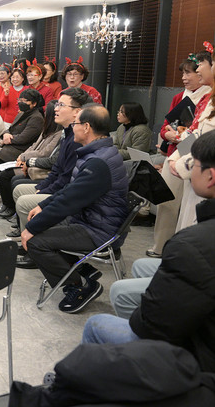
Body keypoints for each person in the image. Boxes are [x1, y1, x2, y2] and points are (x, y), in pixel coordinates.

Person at [80, 130, 215, 376]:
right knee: (142, 266)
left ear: (210, 176)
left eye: (193, 164)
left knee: (97, 324)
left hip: (199, 358)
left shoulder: (192, 243)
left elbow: (152, 323)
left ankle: (138, 372)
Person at [19, 104, 129, 314]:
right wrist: (43, 205)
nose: (72, 128)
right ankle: (84, 269)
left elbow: (69, 202)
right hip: (92, 219)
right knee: (42, 229)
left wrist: (31, 228)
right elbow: (71, 191)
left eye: (75, 124)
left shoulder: (98, 163)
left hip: (97, 229)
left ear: (86, 127)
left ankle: (79, 286)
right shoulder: (97, 153)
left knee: (35, 241)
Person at [148, 50, 215, 256]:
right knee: (170, 205)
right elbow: (171, 127)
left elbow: (202, 137)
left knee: (192, 214)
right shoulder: (181, 97)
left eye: (191, 71)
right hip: (180, 154)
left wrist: (180, 149)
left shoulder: (208, 97)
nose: (185, 77)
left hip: (196, 160)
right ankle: (165, 247)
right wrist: (172, 139)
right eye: (183, 73)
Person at [7, 88, 90, 238]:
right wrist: (42, 187)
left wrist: (45, 190)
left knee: (23, 200)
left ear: (77, 112)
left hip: (65, 193)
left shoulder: (76, 139)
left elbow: (66, 179)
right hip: (56, 185)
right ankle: (28, 236)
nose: (56, 109)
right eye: (57, 105)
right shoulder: (67, 133)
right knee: (18, 189)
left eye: (61, 105)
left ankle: (35, 241)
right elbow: (57, 169)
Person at [0, 99, 62, 219]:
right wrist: (22, 156)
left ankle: (11, 207)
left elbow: (45, 153)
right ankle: (7, 205)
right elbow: (34, 145)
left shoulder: (58, 133)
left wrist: (25, 158)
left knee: (7, 176)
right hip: (28, 159)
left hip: (37, 165)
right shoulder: (46, 129)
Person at [158, 57, 210, 157]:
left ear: (199, 74)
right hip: (174, 152)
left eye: (187, 73)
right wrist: (167, 135)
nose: (183, 78)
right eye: (183, 74)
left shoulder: (209, 98)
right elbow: (165, 126)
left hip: (196, 153)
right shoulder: (178, 98)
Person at [0, 88, 44, 164]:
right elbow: (10, 129)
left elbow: (24, 138)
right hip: (6, 148)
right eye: (20, 100)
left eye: (24, 101)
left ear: (34, 103)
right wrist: (6, 134)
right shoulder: (21, 113)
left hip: (17, 152)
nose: (21, 103)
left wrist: (9, 139)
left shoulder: (36, 118)